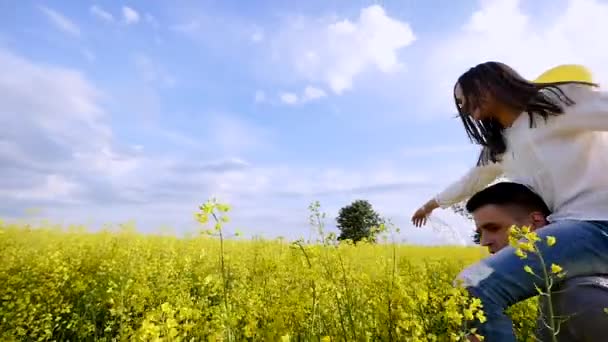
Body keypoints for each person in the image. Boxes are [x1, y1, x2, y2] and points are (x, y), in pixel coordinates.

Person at [410, 61, 608, 341]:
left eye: (464, 96)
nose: (463, 106)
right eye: (458, 104)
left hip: (598, 223)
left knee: (474, 286)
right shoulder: (502, 144)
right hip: (570, 230)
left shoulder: (555, 102)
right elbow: (471, 181)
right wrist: (432, 204)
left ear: (490, 83)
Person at [466, 181, 608, 341]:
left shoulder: (579, 297)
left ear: (535, 222)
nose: (484, 241)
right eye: (480, 232)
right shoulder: (562, 287)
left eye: (494, 228)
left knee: (472, 282)